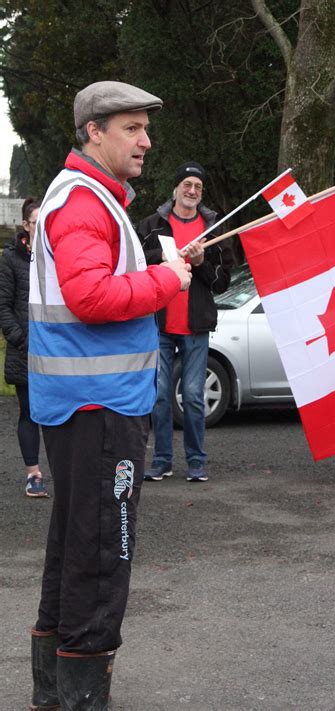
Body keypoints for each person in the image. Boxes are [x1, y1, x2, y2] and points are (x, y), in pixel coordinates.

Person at [28, 81, 192, 710]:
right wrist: (165, 278)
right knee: (100, 557)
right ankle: (80, 700)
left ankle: (54, 693)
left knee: (75, 549)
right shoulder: (83, 201)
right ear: (93, 132)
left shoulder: (87, 197)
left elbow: (96, 285)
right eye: (130, 127)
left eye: (145, 128)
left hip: (85, 406)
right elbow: (91, 298)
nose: (146, 140)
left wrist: (170, 269)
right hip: (96, 409)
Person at [138, 161, 232, 483]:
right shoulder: (152, 225)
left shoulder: (214, 229)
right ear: (176, 188)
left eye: (198, 188)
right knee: (161, 395)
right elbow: (134, 265)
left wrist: (203, 262)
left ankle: (196, 461)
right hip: (159, 324)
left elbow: (222, 282)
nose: (192, 191)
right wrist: (160, 258)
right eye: (187, 185)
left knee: (193, 395)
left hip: (196, 326)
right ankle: (162, 460)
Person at [0, 198, 49, 497]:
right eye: (37, 222)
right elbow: (3, 306)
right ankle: (34, 474)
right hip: (25, 349)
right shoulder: (10, 259)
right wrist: (21, 339)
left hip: (55, 348)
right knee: (29, 412)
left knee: (61, 413)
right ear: (25, 225)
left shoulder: (54, 255)